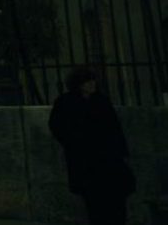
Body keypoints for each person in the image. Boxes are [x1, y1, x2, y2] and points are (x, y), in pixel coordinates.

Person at [49, 65, 134, 225]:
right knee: (93, 200)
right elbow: (57, 127)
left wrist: (121, 152)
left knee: (115, 198)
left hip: (107, 158)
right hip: (85, 159)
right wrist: (74, 142)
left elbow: (115, 128)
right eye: (87, 82)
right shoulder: (66, 102)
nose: (91, 84)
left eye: (92, 81)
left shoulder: (101, 101)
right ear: (79, 84)